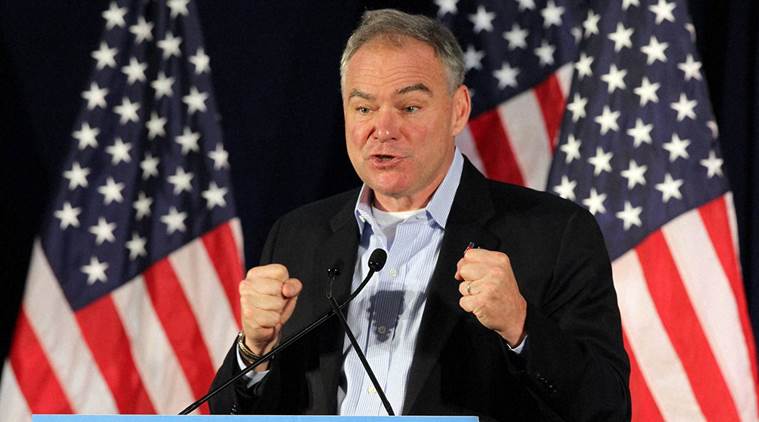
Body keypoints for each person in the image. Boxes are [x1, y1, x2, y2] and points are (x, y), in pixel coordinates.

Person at [209, 9, 630, 421]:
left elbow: (607, 408)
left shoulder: (554, 234)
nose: (383, 128)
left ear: (458, 110)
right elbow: (230, 411)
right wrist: (255, 351)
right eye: (363, 108)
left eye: (409, 107)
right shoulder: (299, 235)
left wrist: (521, 328)